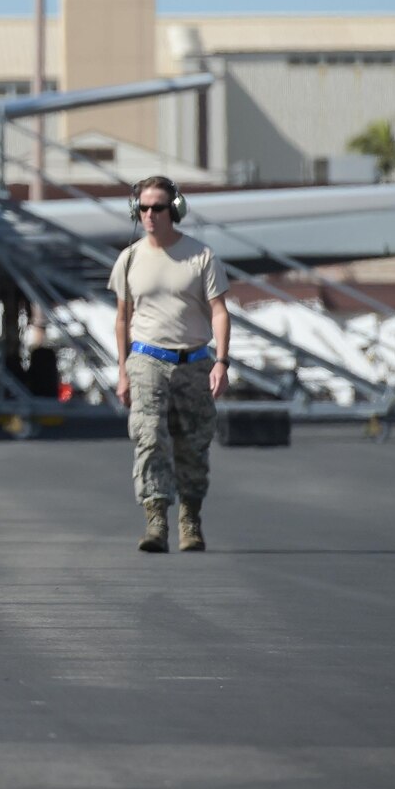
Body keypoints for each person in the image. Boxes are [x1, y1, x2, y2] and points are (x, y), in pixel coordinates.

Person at [110, 174, 231, 553]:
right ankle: (156, 519)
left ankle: (190, 519)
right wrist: (122, 370)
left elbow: (220, 312)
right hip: (147, 359)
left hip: (194, 360)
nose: (149, 215)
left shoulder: (201, 256)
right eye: (143, 208)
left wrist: (222, 362)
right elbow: (122, 318)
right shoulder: (129, 259)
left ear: (173, 210)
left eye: (157, 208)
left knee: (193, 443)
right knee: (148, 437)